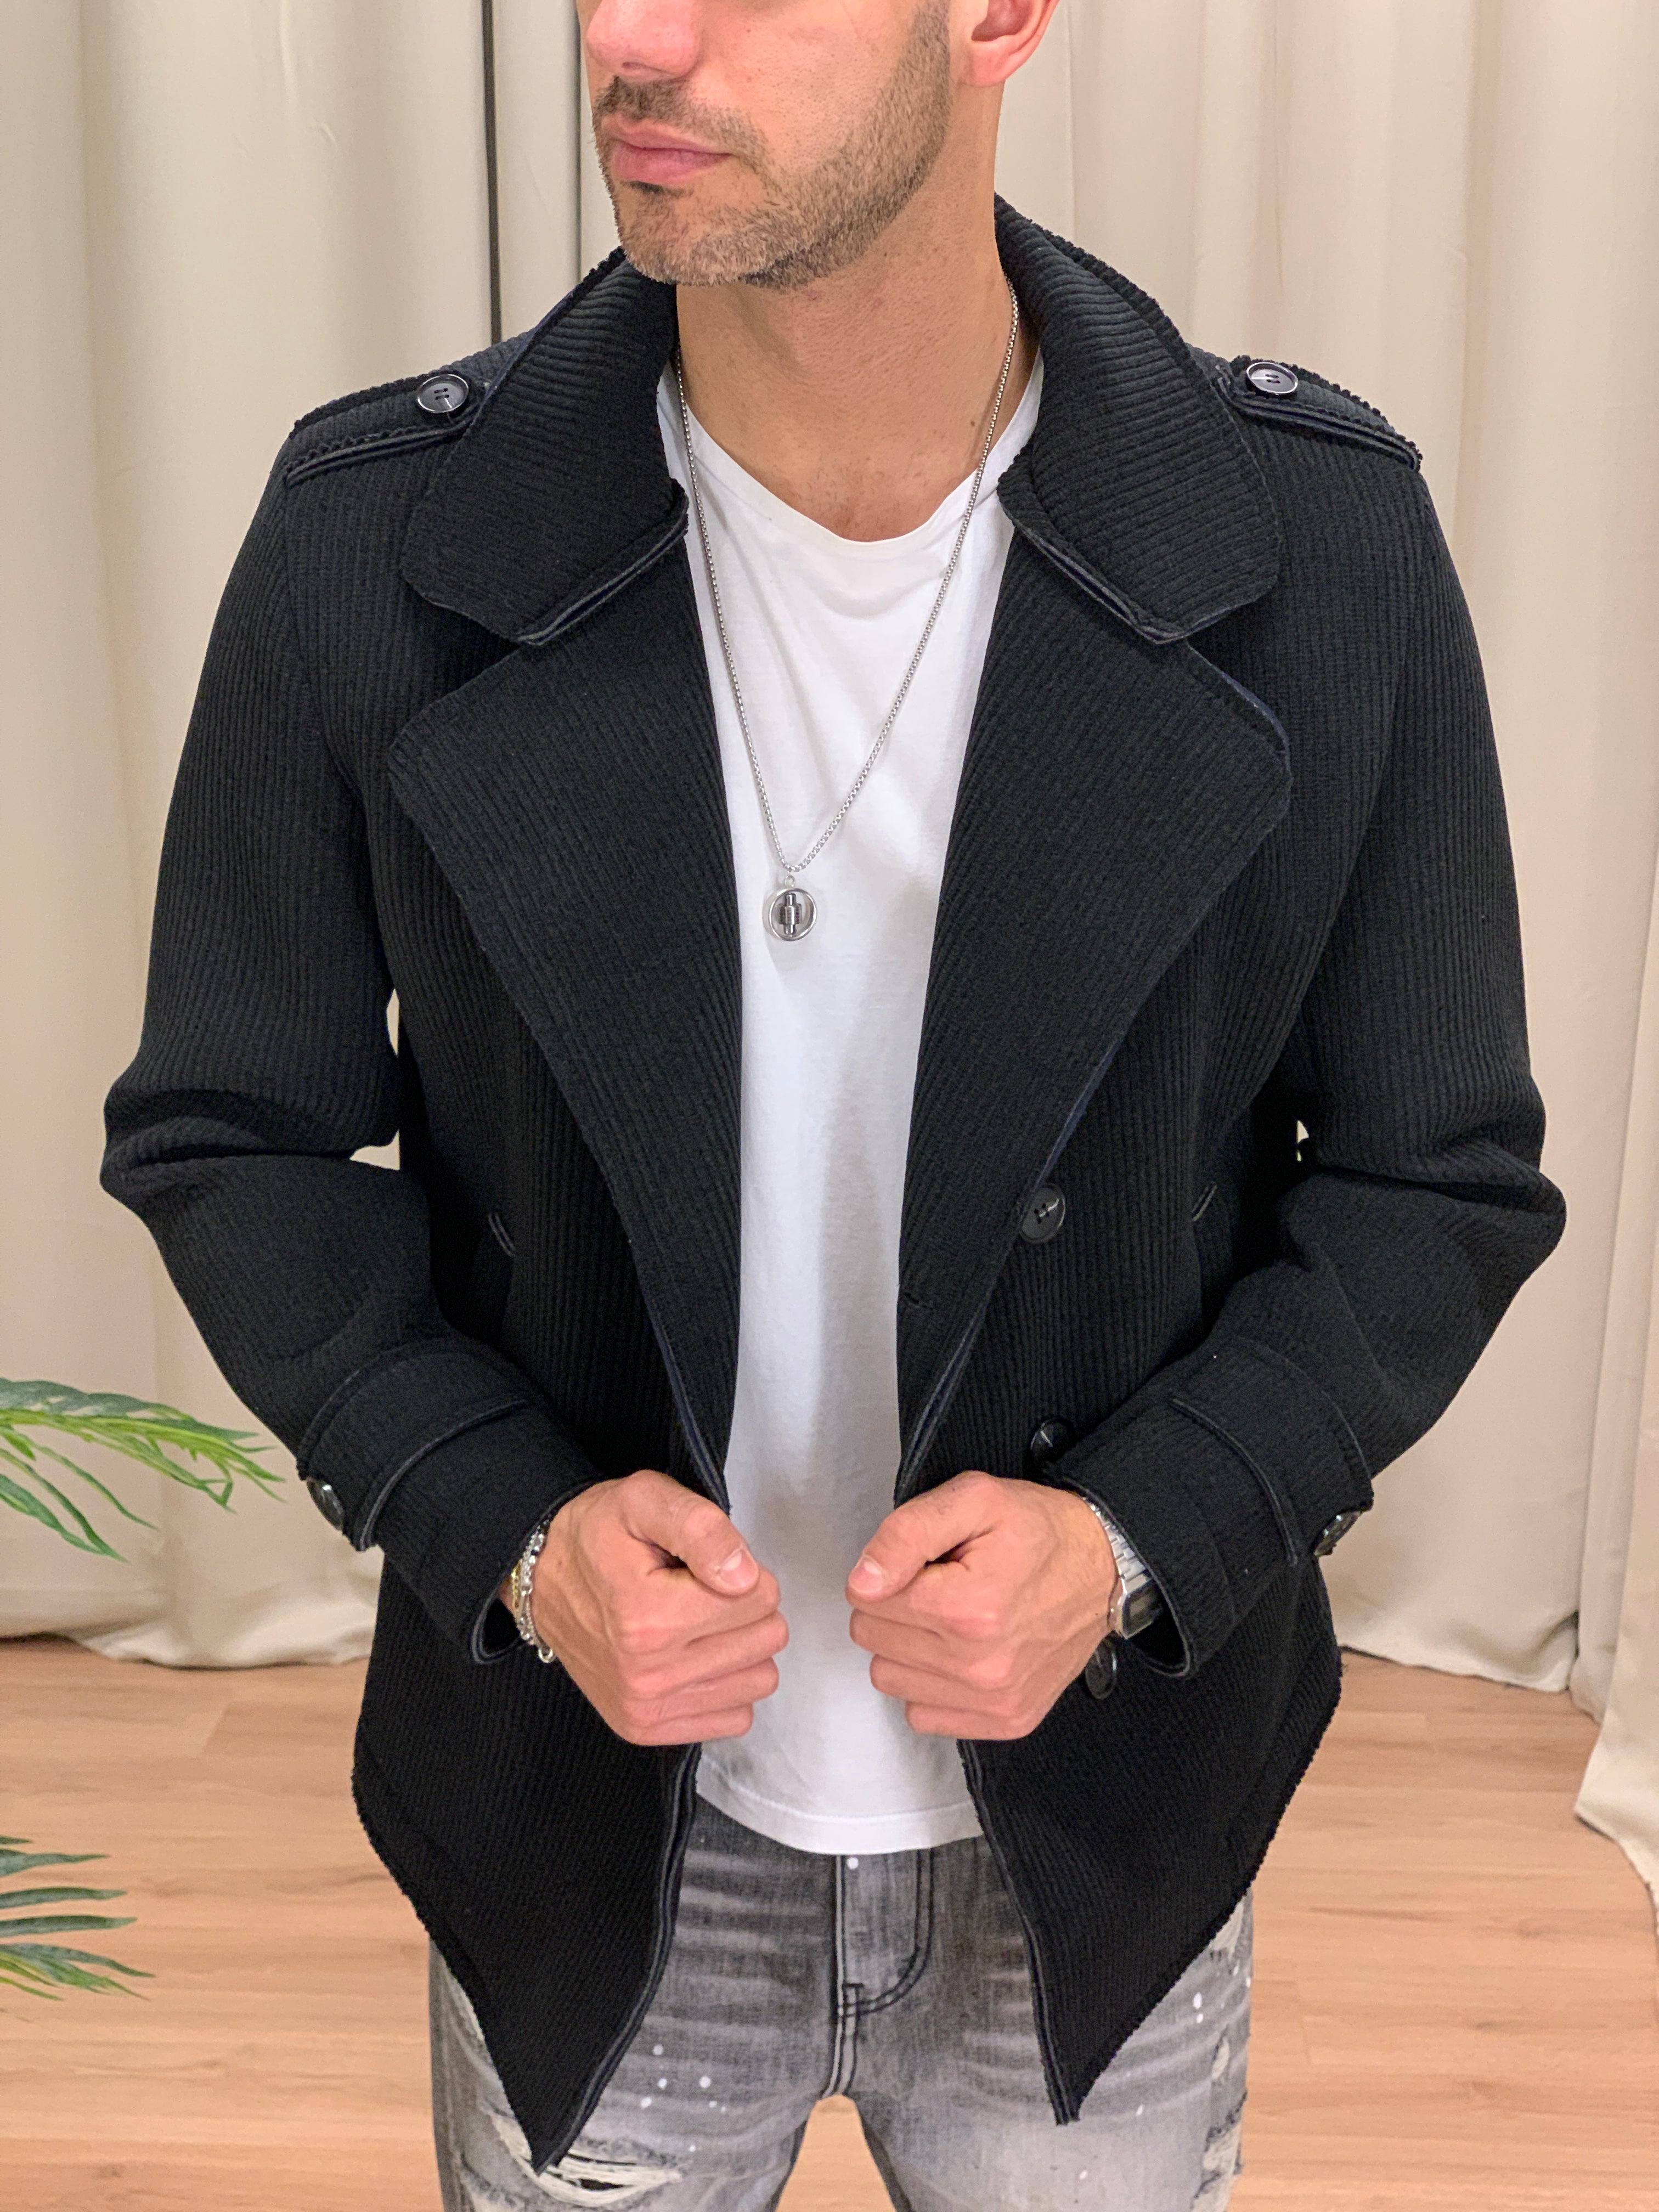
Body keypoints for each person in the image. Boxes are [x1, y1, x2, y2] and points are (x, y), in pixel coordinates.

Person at [99, 1, 1567, 2205]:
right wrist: (508, 1525)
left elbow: (1430, 1176)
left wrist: (1134, 1538)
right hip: (592, 1822)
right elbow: (235, 1132)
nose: (628, 34)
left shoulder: (1318, 543)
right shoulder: (374, 537)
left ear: (999, 17)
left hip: (1104, 1825)